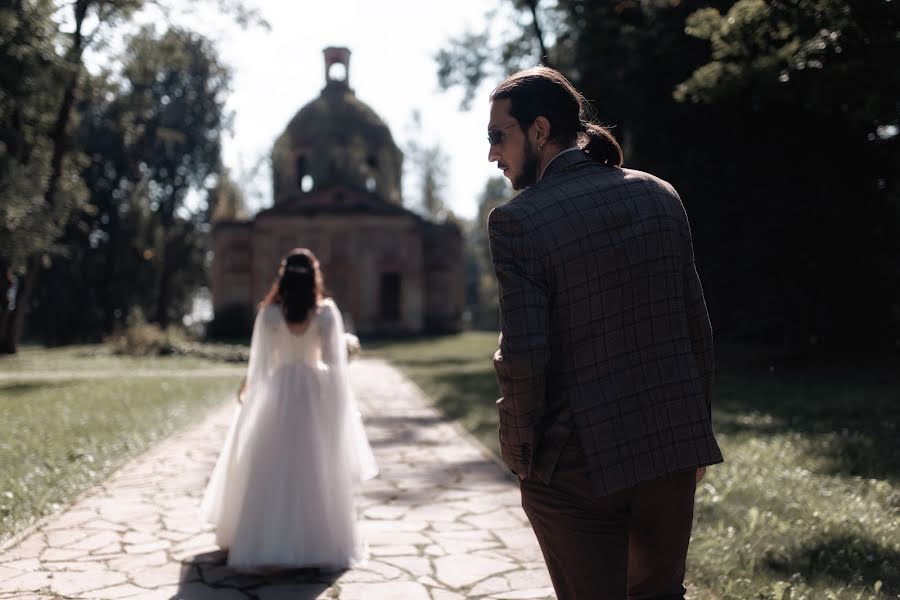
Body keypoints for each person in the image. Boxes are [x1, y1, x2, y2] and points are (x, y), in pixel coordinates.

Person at [485, 66, 723, 599]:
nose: (493, 154)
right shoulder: (660, 195)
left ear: (539, 131)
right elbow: (695, 328)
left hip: (575, 468)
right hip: (669, 448)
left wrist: (522, 460)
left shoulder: (518, 221)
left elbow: (524, 358)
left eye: (499, 136)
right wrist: (693, 440)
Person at [201, 248, 378, 571]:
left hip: (276, 392)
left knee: (271, 463)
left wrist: (251, 399)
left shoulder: (268, 314)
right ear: (315, 277)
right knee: (316, 464)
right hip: (313, 392)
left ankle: (266, 540)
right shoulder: (326, 314)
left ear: (282, 277)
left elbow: (261, 368)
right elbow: (335, 367)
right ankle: (316, 543)